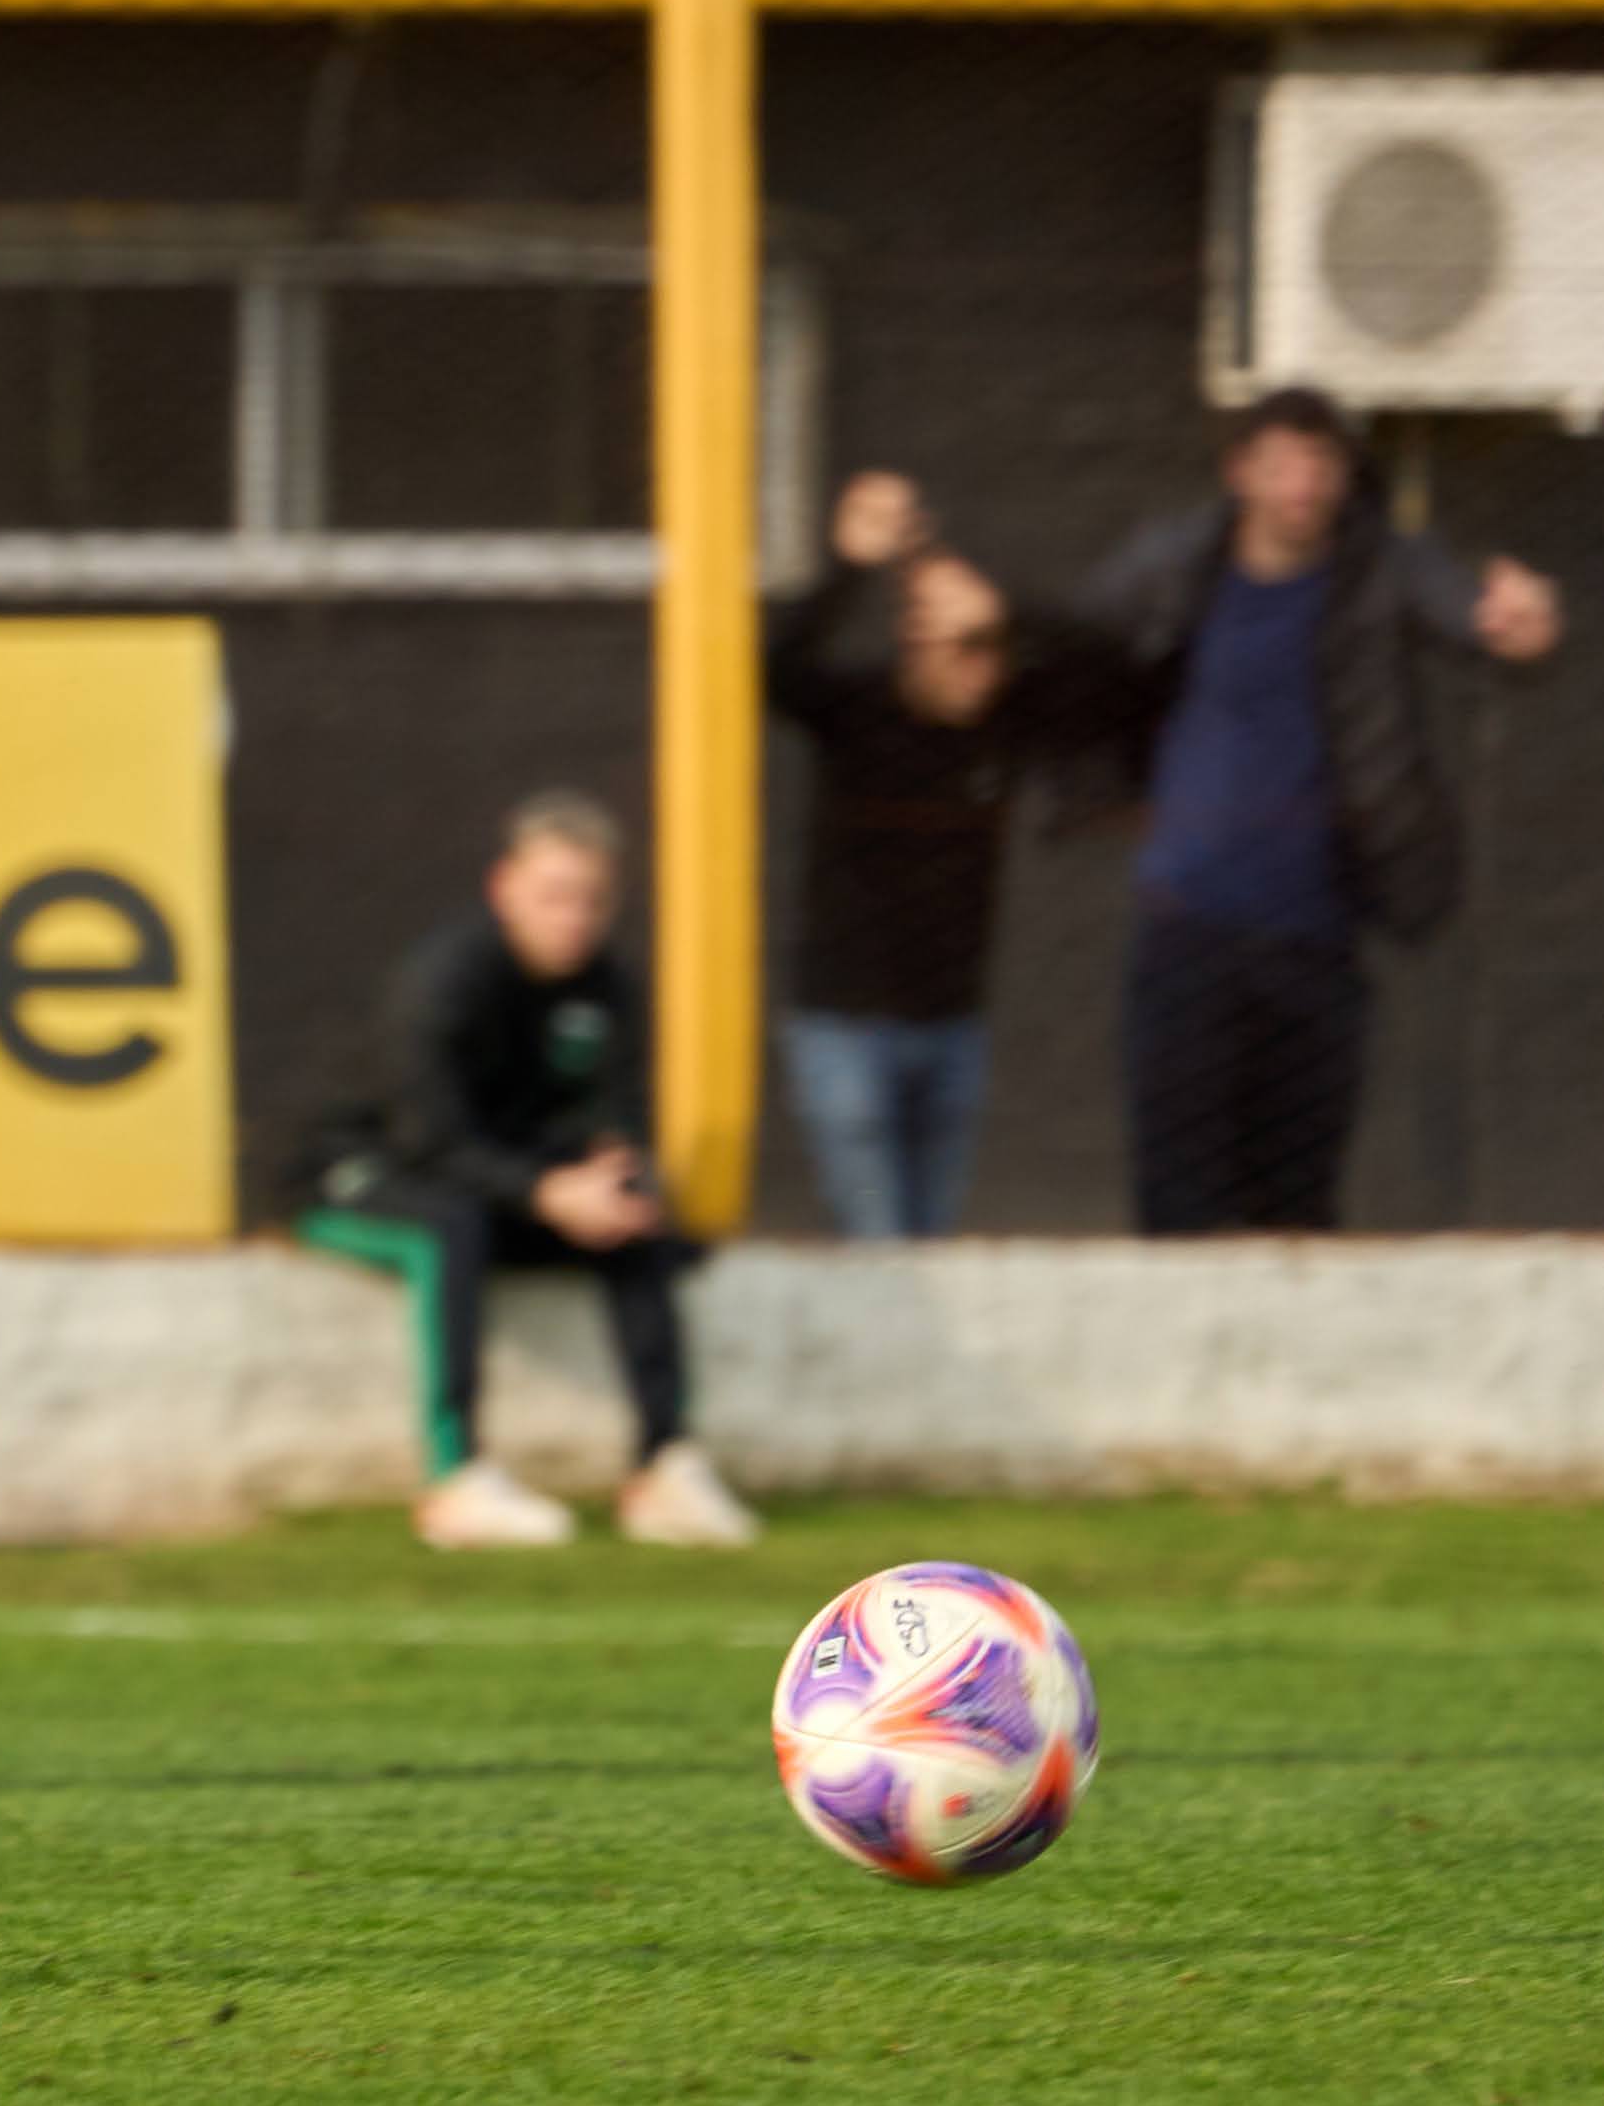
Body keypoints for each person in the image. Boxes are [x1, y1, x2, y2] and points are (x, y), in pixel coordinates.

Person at [1060, 389, 1555, 1237]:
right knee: (1178, 1210)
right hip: (1187, 940)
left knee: (1296, 1217)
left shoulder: (1383, 566)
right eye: (1281, 462)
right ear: (1240, 474)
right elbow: (1068, 648)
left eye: (1321, 462)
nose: (1303, 481)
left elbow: (1474, 617)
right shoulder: (1175, 565)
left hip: (1317, 949)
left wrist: (1518, 625)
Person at [297, 793, 757, 1552]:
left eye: (591, 900)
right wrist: (545, 1190)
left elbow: (620, 1117)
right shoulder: (448, 979)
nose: (572, 917)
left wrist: (612, 1172)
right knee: (449, 1228)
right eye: (554, 896)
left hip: (506, 1184)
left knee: (636, 1225)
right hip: (356, 1172)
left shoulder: (609, 988)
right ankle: (456, 1479)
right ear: (504, 888)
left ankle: (664, 1466)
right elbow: (430, 1142)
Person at [766, 474, 1131, 1242]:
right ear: (912, 641)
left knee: (931, 1248)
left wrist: (1003, 609)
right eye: (960, 650)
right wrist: (846, 566)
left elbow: (1115, 666)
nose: (980, 670)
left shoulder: (1005, 716)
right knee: (882, 1248)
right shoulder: (859, 711)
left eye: (992, 651)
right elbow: (768, 669)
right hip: (846, 1028)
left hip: (951, 1026)